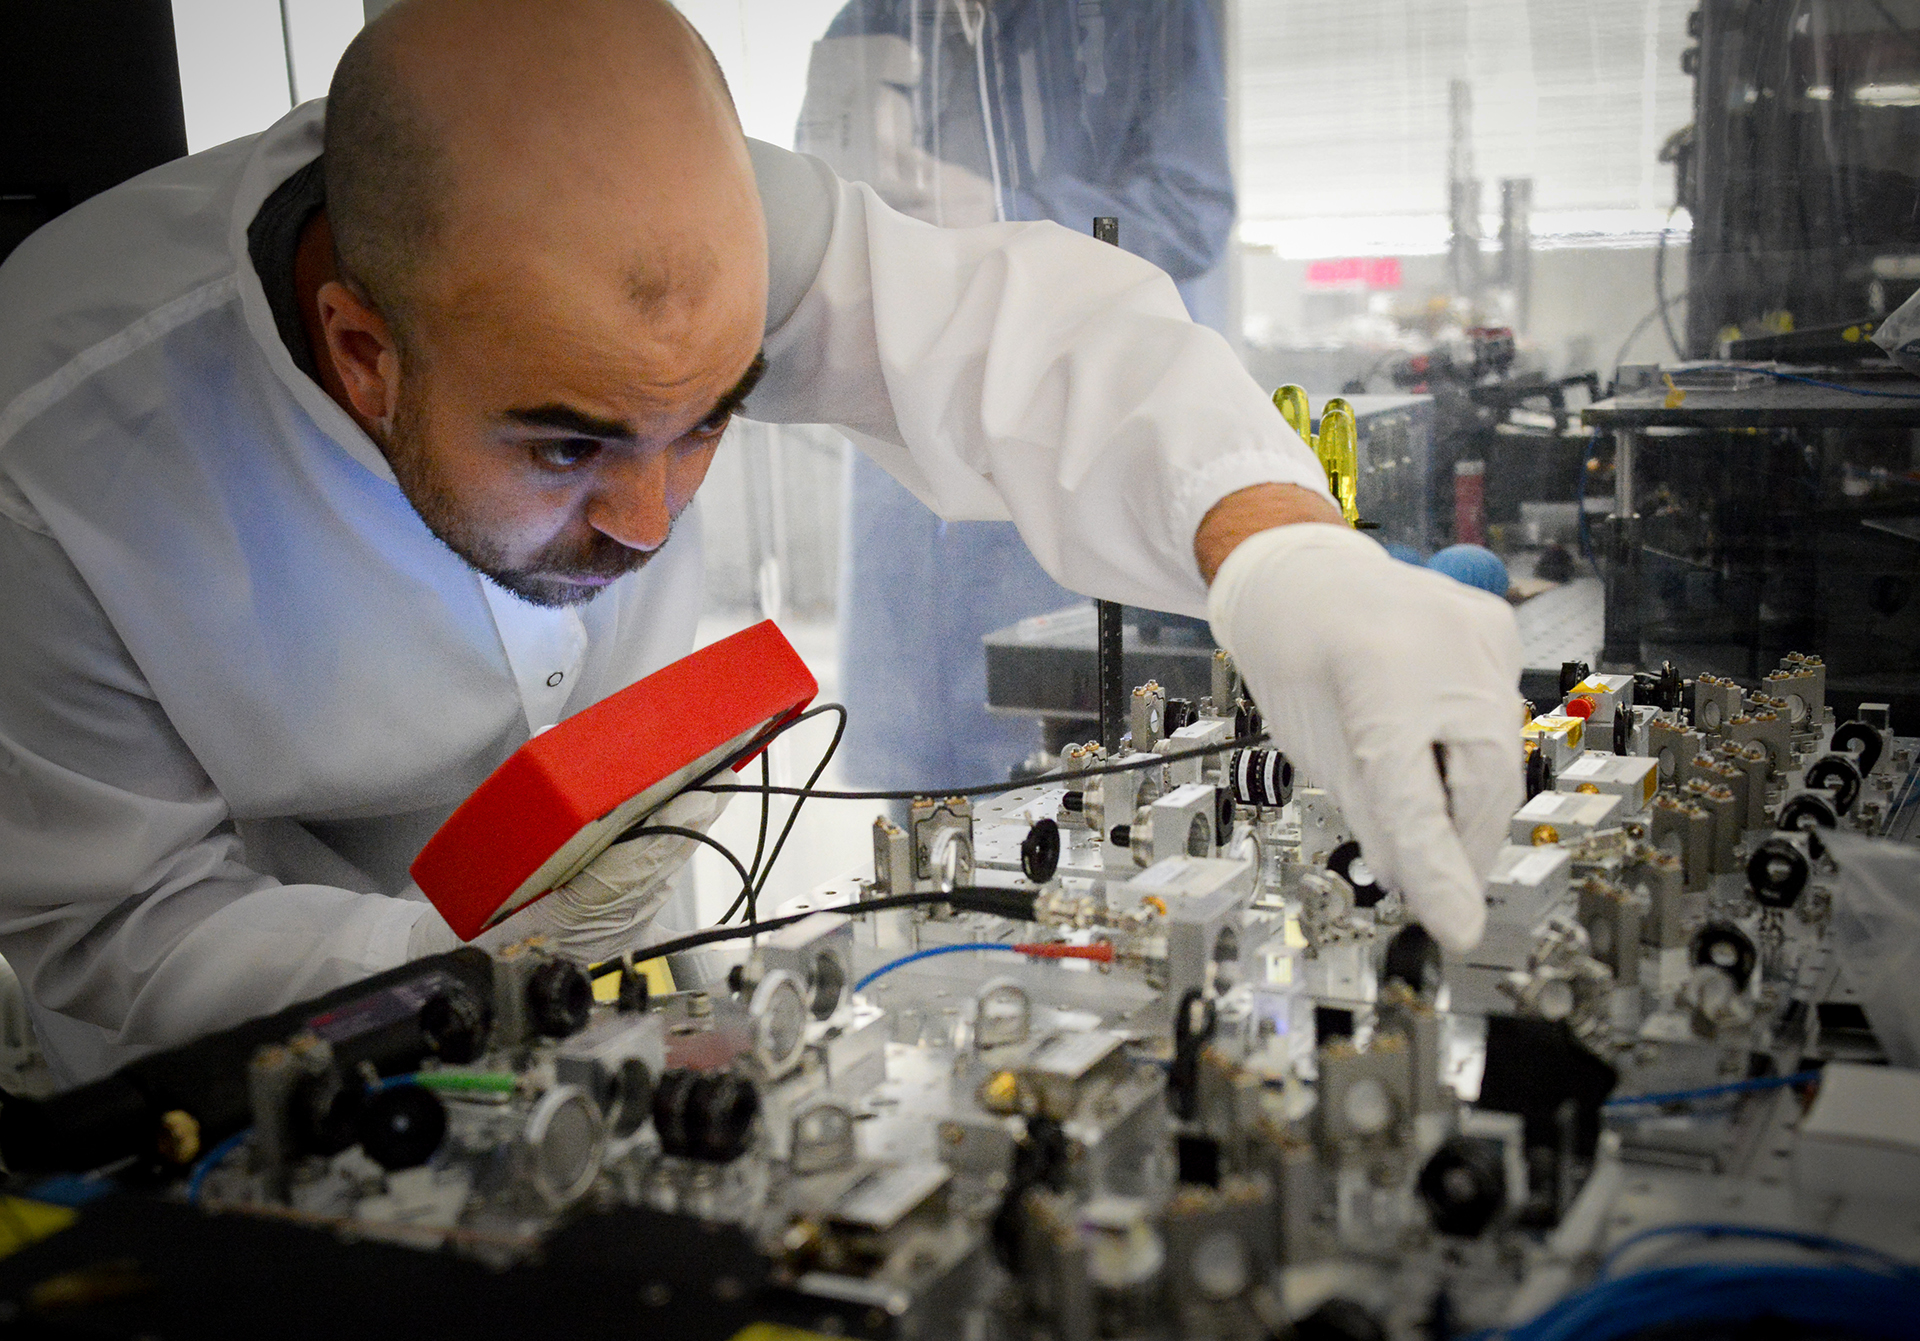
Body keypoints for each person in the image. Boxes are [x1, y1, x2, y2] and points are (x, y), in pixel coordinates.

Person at [0, 0, 1521, 1086]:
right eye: (566, 441)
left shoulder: (704, 223)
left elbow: (1023, 343)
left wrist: (1275, 554)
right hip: (320, 1056)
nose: (652, 522)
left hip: (671, 961)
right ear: (360, 350)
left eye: (713, 416)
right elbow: (121, 933)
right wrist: (499, 991)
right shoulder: (54, 445)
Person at [796, 0, 1235, 787]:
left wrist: (1005, 212)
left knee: (1068, 777)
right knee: (915, 787)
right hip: (904, 447)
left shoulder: (1149, 14)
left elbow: (1190, 208)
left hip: (1067, 416)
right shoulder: (879, 12)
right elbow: (821, 190)